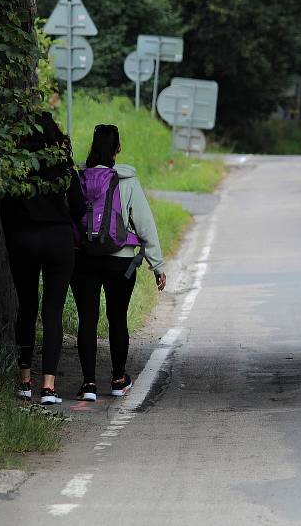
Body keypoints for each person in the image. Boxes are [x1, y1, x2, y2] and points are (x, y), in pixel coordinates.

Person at [71, 124, 167, 402]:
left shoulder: (80, 179)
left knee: (87, 320)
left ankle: (88, 384)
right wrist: (157, 266)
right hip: (120, 261)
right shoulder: (127, 180)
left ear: (92, 147)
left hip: (84, 258)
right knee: (117, 318)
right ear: (118, 148)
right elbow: (145, 225)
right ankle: (118, 380)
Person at [0, 112, 84, 405]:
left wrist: (15, 236)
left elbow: (5, 209)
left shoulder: (17, 167)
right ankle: (48, 387)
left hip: (23, 238)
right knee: (52, 313)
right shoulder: (63, 167)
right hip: (58, 240)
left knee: (26, 307)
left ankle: (24, 381)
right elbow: (79, 206)